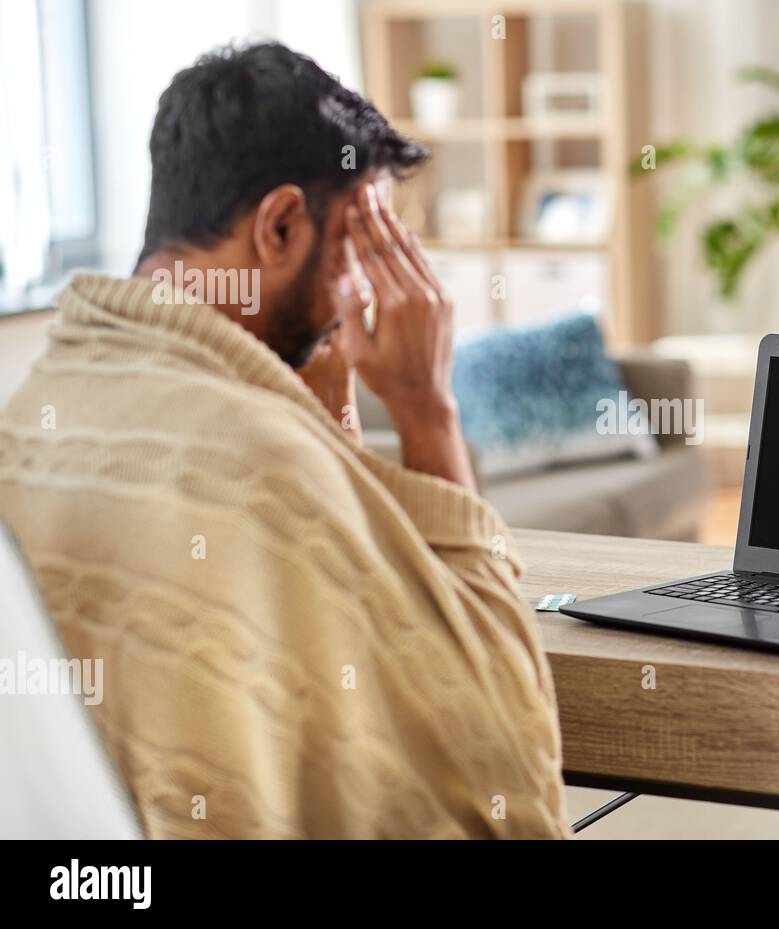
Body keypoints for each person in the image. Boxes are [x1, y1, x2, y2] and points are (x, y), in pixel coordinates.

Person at [0, 42, 568, 838]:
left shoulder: (28, 411)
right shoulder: (264, 466)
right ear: (280, 225)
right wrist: (425, 409)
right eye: (365, 245)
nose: (368, 290)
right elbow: (502, 776)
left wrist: (324, 426)